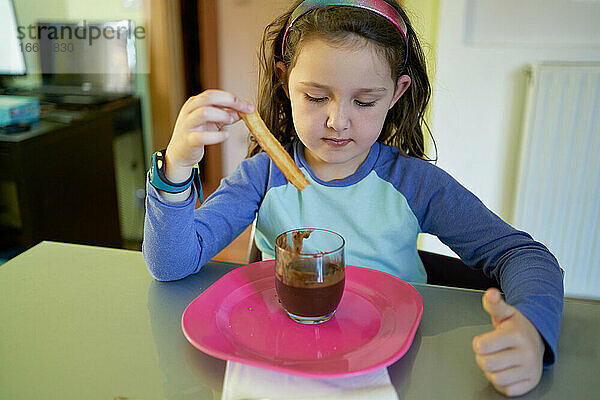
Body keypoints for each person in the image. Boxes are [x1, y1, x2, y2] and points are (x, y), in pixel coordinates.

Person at [142, 0, 564, 396]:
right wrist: (176, 167)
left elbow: (523, 255)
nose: (337, 121)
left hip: (395, 369)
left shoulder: (415, 184)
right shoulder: (262, 176)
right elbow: (171, 263)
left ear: (396, 94)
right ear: (284, 79)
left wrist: (532, 328)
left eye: (364, 101)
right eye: (316, 96)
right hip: (280, 364)